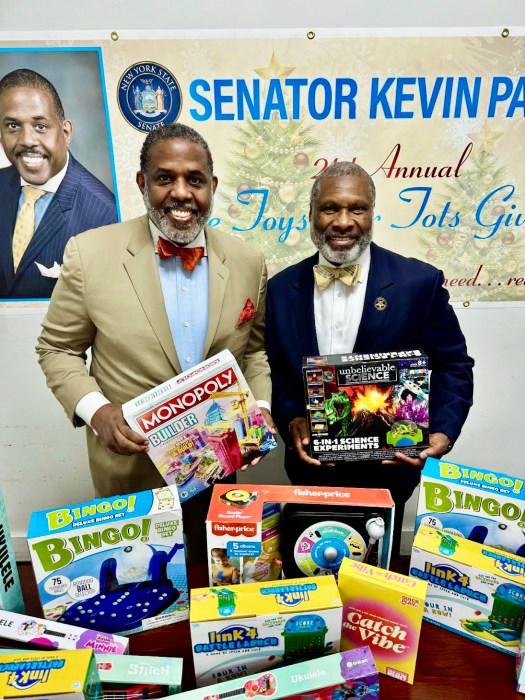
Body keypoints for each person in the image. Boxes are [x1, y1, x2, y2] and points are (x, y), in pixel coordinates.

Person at [36, 123, 274, 555]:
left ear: (212, 186)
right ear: (143, 183)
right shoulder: (89, 254)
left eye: (194, 180)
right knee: (141, 593)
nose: (181, 193)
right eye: (165, 178)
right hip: (129, 469)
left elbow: (253, 351)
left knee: (212, 584)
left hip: (218, 466)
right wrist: (98, 412)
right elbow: (57, 348)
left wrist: (259, 408)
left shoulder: (247, 260)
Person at [265, 161, 474, 557]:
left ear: (371, 214)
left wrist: (442, 434)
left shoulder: (418, 282)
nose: (343, 221)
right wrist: (291, 416)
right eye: (330, 208)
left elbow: (454, 365)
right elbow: (274, 371)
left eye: (356, 208)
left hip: (388, 473)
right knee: (311, 573)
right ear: (312, 214)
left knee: (377, 584)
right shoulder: (279, 289)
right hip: (312, 470)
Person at [0, 68, 118, 299]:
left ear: (65, 133)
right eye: (13, 126)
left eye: (40, 126)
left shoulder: (106, 216)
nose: (27, 140)